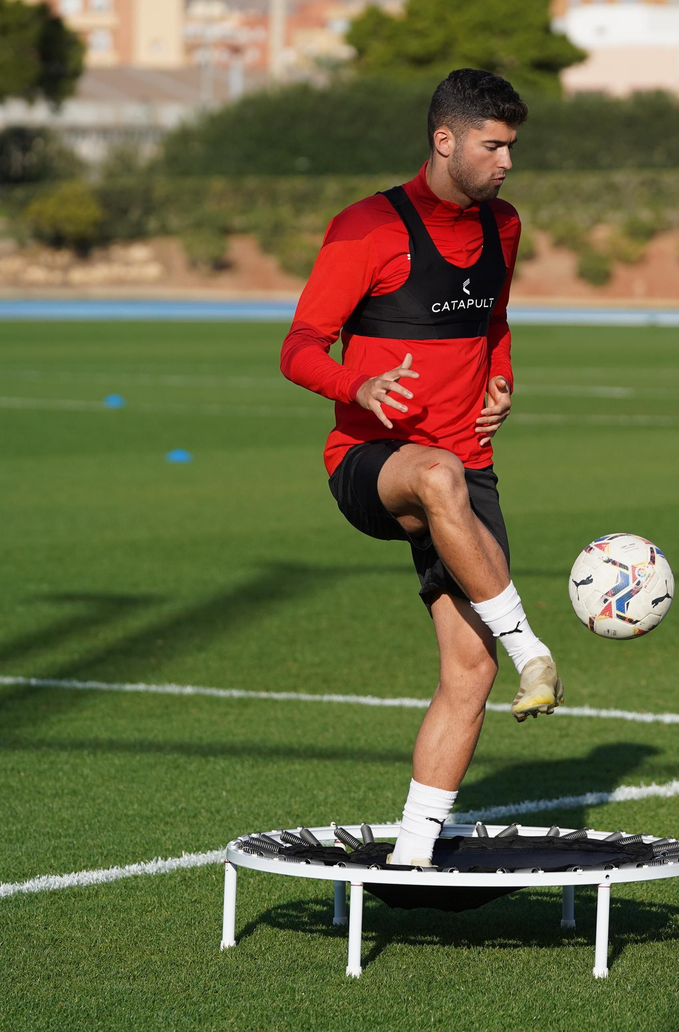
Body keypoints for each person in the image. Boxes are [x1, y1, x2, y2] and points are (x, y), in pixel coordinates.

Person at [279, 69, 560, 865]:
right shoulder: (367, 226)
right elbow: (297, 348)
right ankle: (531, 648)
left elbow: (495, 318)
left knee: (467, 673)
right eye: (493, 145)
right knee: (433, 473)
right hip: (372, 463)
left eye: (513, 147)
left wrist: (503, 383)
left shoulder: (505, 225)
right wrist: (356, 385)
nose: (507, 161)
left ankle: (412, 853)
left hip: (470, 471)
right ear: (445, 140)